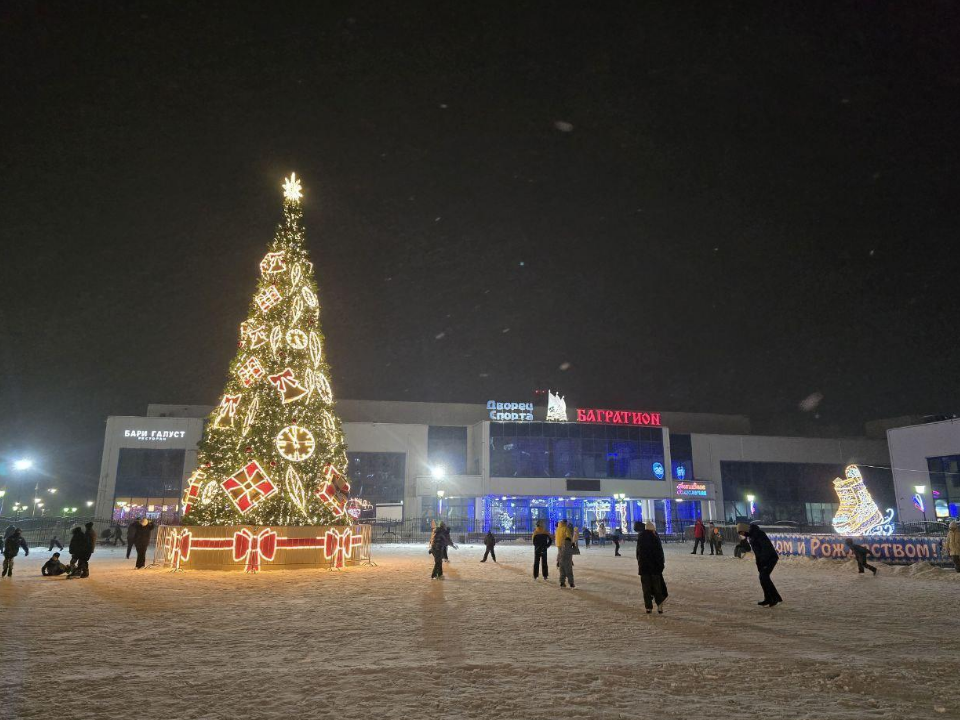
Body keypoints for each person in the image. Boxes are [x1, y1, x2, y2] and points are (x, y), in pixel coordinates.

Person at [739, 522, 782, 607]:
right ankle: (771, 598)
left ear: (744, 530)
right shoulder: (750, 536)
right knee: (763, 578)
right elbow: (750, 549)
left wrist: (764, 562)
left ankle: (774, 598)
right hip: (763, 560)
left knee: (764, 577)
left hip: (770, 558)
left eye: (741, 532)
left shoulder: (758, 534)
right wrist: (743, 541)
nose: (742, 534)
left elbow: (765, 548)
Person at [636, 521, 667, 614]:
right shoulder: (655, 537)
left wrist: (640, 563)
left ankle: (648, 607)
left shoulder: (641, 537)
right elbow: (659, 553)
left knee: (646, 588)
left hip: (644, 567)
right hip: (655, 568)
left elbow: (638, 553)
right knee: (657, 588)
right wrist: (661, 565)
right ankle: (659, 606)